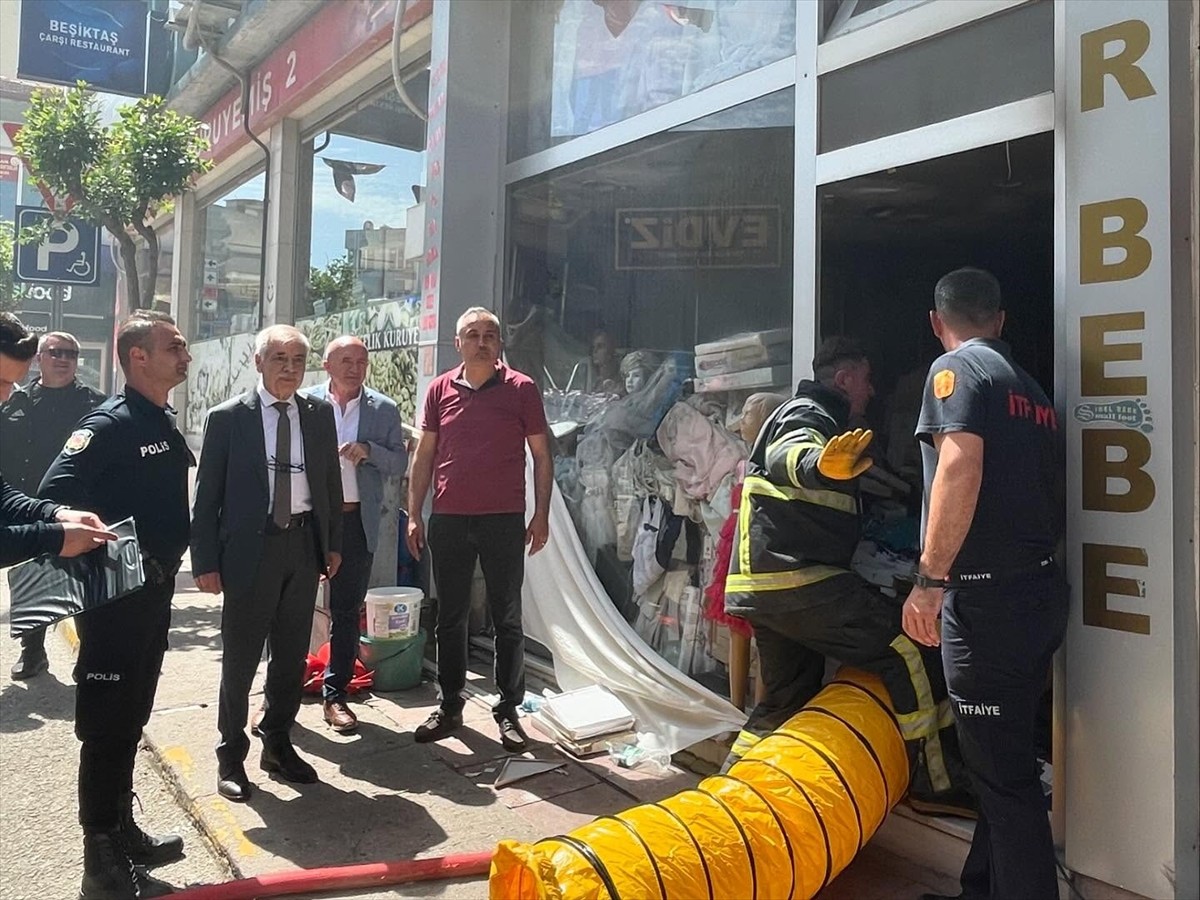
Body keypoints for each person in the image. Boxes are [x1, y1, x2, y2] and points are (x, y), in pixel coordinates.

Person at [721, 336, 972, 817]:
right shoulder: (809, 414)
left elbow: (865, 479)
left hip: (767, 588)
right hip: (801, 580)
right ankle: (936, 783)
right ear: (844, 379)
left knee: (783, 702)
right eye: (867, 380)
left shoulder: (828, 425)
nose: (872, 392)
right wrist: (818, 464)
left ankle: (727, 800)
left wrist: (909, 489)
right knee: (912, 646)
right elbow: (793, 455)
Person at [905, 268, 1066, 900]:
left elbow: (959, 465)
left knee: (1005, 781)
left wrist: (928, 579)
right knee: (999, 764)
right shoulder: (1029, 389)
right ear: (1000, 320)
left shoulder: (958, 373)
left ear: (936, 323)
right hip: (1036, 597)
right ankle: (981, 890)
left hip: (987, 605)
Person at [38, 310, 193, 899]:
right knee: (106, 723)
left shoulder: (155, 417)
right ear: (139, 357)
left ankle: (122, 830)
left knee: (131, 714)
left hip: (150, 597)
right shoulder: (108, 423)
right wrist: (121, 551)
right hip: (114, 599)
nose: (184, 354)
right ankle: (100, 861)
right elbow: (56, 497)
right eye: (173, 345)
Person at [191, 324, 343, 803]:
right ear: (258, 362)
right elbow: (206, 498)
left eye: (298, 360)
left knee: (291, 656)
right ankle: (230, 755)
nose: (289, 368)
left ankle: (277, 742)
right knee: (239, 660)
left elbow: (330, 484)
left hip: (301, 548)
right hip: (248, 553)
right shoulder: (229, 418)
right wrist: (205, 562)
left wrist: (331, 544)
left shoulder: (318, 415)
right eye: (279, 358)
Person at [406, 306, 552, 752]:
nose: (482, 341)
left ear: (499, 344)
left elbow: (543, 457)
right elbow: (424, 455)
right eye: (473, 334)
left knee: (507, 618)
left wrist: (540, 514)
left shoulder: (521, 389)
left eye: (490, 334)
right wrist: (414, 513)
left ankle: (508, 710)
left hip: (503, 519)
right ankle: (450, 706)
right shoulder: (439, 390)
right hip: (449, 518)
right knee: (449, 618)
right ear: (458, 344)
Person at [303, 336, 406, 733]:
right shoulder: (306, 403)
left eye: (361, 361)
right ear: (327, 365)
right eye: (346, 360)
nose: (354, 368)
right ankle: (279, 693)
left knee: (345, 612)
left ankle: (336, 695)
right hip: (308, 520)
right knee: (290, 608)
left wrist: (369, 450)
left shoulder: (383, 409)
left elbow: (398, 461)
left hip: (354, 521)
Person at [2, 330, 106, 679]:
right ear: (39, 360)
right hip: (25, 506)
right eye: (55, 352)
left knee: (85, 586)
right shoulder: (18, 402)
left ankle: (90, 657)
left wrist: (63, 514)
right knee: (33, 582)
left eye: (71, 354)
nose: (63, 359)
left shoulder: (95, 404)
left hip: (72, 507)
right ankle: (33, 652)